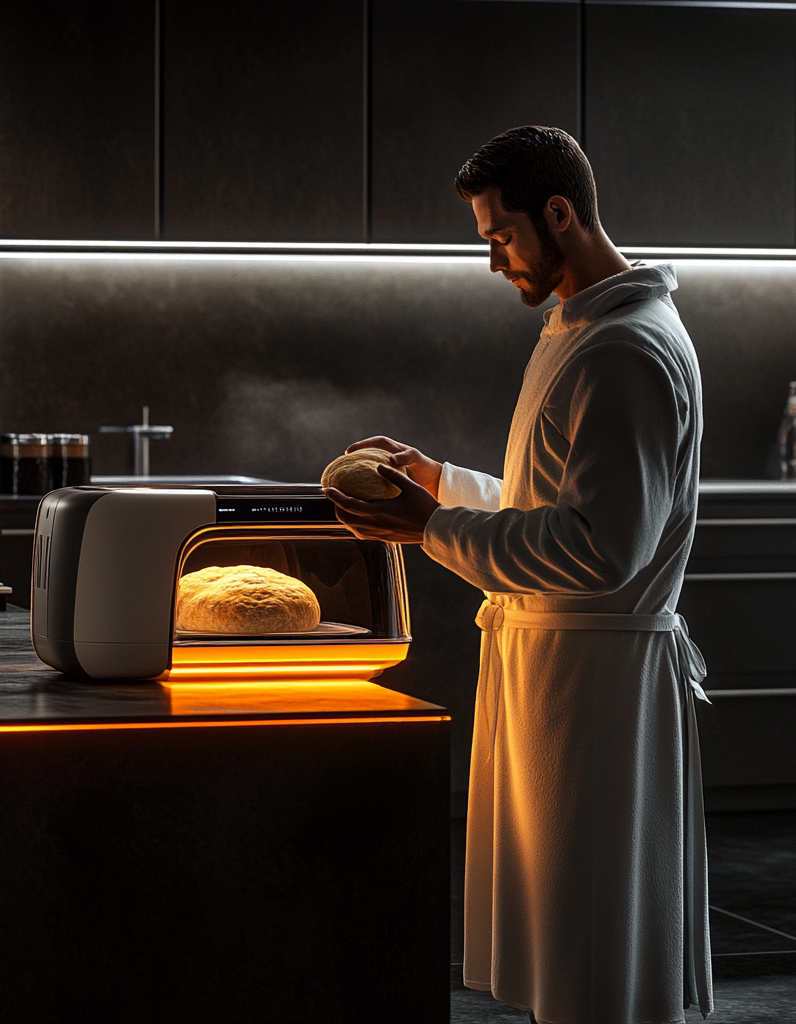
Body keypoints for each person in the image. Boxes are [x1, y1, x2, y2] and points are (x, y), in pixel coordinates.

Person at [326, 126, 712, 1024]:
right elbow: (552, 498)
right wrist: (442, 485)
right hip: (553, 675)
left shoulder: (627, 352)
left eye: (500, 236)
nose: (493, 260)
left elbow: (601, 550)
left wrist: (433, 530)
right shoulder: (580, 332)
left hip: (595, 691)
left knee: (593, 951)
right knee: (565, 941)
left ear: (561, 213)